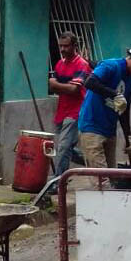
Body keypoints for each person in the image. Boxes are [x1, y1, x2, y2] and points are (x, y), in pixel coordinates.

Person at [78, 49, 131, 175]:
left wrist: (128, 136)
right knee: (101, 180)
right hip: (92, 127)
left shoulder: (130, 81)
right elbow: (89, 82)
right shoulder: (111, 66)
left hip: (109, 131)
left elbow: (124, 110)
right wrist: (114, 95)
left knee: (113, 175)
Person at [48, 32, 92, 185]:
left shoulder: (82, 65)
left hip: (76, 111)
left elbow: (74, 90)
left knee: (63, 147)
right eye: (61, 46)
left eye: (66, 46)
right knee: (66, 148)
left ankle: (57, 183)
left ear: (74, 46)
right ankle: (93, 163)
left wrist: (56, 85)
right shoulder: (60, 64)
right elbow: (52, 87)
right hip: (62, 111)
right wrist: (60, 86)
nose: (63, 49)